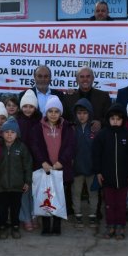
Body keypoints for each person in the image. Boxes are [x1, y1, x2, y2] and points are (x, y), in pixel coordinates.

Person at [30, 96, 77, 236]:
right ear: (46, 112)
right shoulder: (38, 128)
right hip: (44, 168)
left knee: (59, 197)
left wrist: (61, 162)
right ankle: (46, 226)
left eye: (56, 111)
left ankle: (57, 225)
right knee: (45, 196)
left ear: (61, 113)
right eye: (50, 111)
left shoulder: (67, 127)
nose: (53, 114)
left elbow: (71, 146)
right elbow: (35, 146)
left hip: (60, 168)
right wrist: (43, 162)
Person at [93, 103, 128, 240]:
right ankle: (110, 225)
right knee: (110, 204)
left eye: (118, 118)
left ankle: (120, 226)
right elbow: (96, 155)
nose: (115, 121)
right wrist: (98, 172)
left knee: (122, 204)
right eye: (112, 118)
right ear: (108, 119)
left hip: (124, 178)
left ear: (123, 120)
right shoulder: (102, 135)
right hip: (107, 177)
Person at [0, 117, 33, 240]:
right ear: (2, 133)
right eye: (6, 132)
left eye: (12, 132)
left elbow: (28, 165)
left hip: (17, 185)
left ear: (17, 134)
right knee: (2, 209)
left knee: (15, 208)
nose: (9, 135)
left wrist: (27, 181)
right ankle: (3, 227)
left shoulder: (21, 147)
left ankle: (15, 227)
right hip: (1, 185)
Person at [16, 89, 41, 231]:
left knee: (35, 191)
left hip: (37, 161)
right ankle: (25, 217)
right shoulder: (17, 121)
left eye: (31, 106)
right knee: (24, 190)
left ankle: (34, 215)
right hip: (21, 162)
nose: (28, 109)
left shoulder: (40, 121)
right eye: (25, 106)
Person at [72, 98, 97, 229]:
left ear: (90, 114)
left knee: (93, 193)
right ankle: (78, 215)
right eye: (79, 113)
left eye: (85, 113)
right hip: (76, 168)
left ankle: (93, 216)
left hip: (92, 168)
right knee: (76, 192)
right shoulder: (72, 129)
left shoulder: (95, 129)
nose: (82, 116)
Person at [62, 66, 112, 131]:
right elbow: (63, 119)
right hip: (74, 138)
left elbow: (110, 117)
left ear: (93, 78)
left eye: (88, 76)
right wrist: (71, 126)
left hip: (97, 138)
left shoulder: (104, 96)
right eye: (82, 77)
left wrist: (100, 123)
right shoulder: (68, 97)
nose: (85, 79)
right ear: (77, 79)